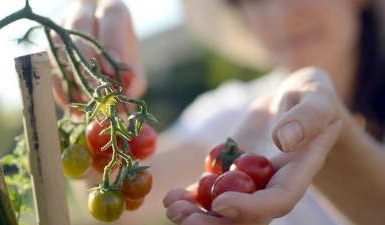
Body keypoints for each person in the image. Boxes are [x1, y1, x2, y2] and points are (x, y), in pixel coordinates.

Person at [48, 0, 385, 224]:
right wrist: (91, 89)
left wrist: (338, 144)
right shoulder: (242, 115)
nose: (279, 13)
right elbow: (115, 188)